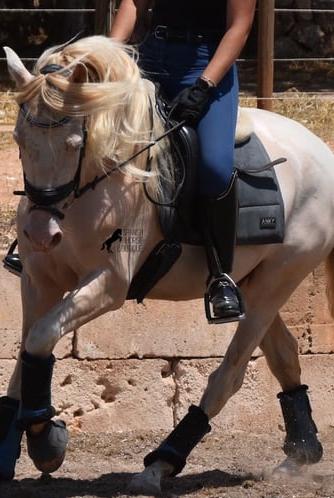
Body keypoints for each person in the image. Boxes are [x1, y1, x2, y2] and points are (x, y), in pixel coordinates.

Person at [110, 0, 256, 323]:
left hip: (207, 65)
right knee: (97, 131)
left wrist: (204, 87)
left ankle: (220, 277)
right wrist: (107, 53)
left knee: (215, 167)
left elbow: (239, 27)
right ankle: (55, 228)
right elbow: (134, 4)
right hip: (153, 55)